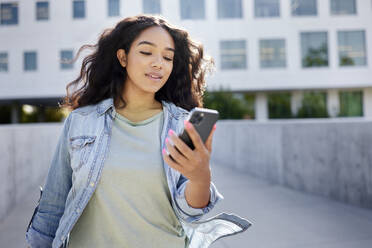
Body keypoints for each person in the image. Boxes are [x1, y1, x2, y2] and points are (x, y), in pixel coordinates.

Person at [25, 14, 251, 248]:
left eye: (167, 57)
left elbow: (190, 211)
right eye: (146, 52)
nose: (158, 63)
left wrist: (201, 176)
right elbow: (52, 206)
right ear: (123, 57)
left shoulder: (181, 123)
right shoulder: (82, 121)